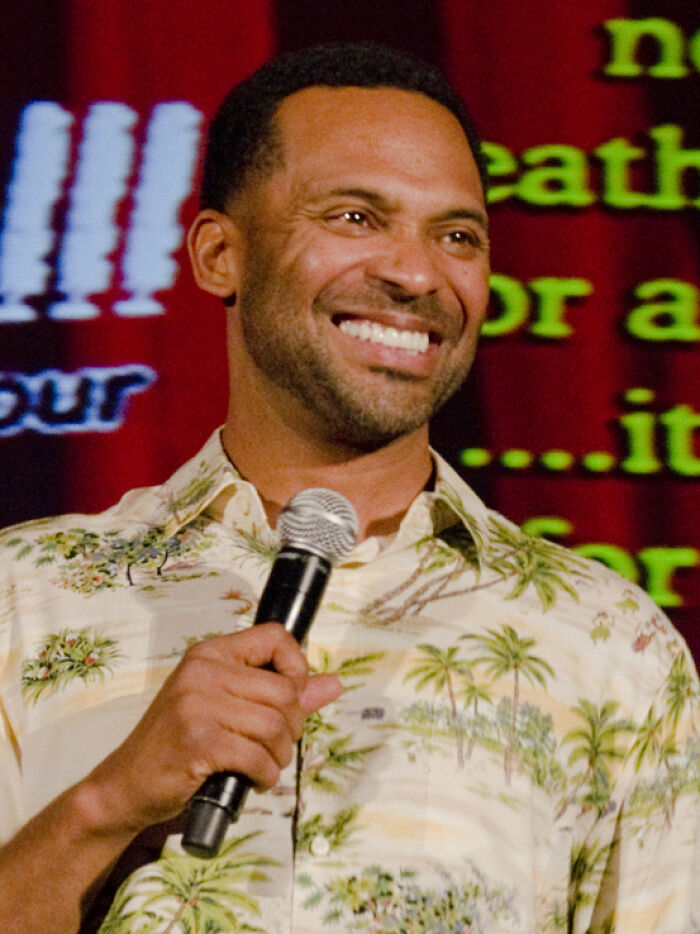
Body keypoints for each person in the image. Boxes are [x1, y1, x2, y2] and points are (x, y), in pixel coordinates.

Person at [0, 42, 697, 934]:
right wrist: (106, 805)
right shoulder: (28, 599)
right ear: (221, 254)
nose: (416, 274)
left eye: (456, 236)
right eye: (357, 217)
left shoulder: (610, 641)